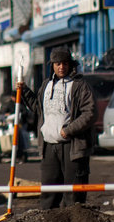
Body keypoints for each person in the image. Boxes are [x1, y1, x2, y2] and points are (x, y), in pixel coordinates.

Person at [17, 46, 96, 208]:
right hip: (49, 146)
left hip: (72, 147)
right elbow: (38, 108)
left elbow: (90, 113)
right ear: (52, 65)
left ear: (70, 65)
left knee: (73, 195)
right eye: (58, 63)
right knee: (49, 193)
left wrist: (68, 130)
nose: (61, 67)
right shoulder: (46, 85)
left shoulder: (79, 86)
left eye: (65, 63)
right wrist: (24, 91)